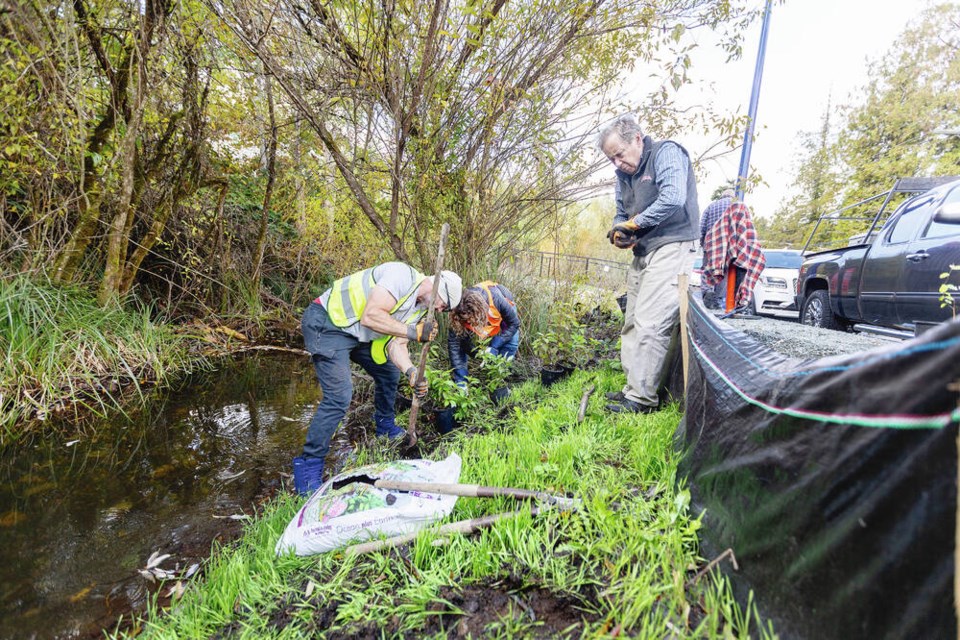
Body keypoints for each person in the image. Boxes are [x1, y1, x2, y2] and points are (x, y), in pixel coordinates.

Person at [294, 263, 463, 495]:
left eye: (445, 309)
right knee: (339, 396)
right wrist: (414, 332)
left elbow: (397, 344)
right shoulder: (401, 275)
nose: (442, 310)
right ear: (437, 287)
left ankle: (385, 426)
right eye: (444, 304)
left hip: (357, 335)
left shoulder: (421, 310)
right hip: (328, 322)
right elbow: (371, 316)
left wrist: (411, 371)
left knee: (389, 372)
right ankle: (308, 468)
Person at [598, 113, 700, 414]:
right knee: (631, 320)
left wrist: (634, 224)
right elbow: (620, 213)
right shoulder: (623, 175)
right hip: (642, 250)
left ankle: (641, 400)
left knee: (650, 321)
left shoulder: (666, 153)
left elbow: (673, 198)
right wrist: (621, 231)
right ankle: (633, 388)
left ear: (638, 139)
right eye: (611, 159)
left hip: (673, 243)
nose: (617, 163)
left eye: (619, 154)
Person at [448, 281, 521, 386]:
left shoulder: (497, 300)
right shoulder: (459, 313)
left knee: (511, 344)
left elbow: (513, 324)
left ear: (479, 312)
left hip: (503, 308)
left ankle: (498, 379)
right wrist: (461, 381)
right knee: (462, 343)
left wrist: (494, 346)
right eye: (465, 320)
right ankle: (463, 381)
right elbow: (455, 347)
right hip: (482, 313)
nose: (468, 322)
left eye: (470, 319)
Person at [699, 188, 736, 309]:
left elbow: (701, 227)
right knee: (724, 272)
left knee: (707, 269)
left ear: (722, 196)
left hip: (710, 243)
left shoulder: (711, 206)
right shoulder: (736, 206)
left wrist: (702, 243)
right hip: (728, 244)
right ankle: (718, 299)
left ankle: (707, 292)